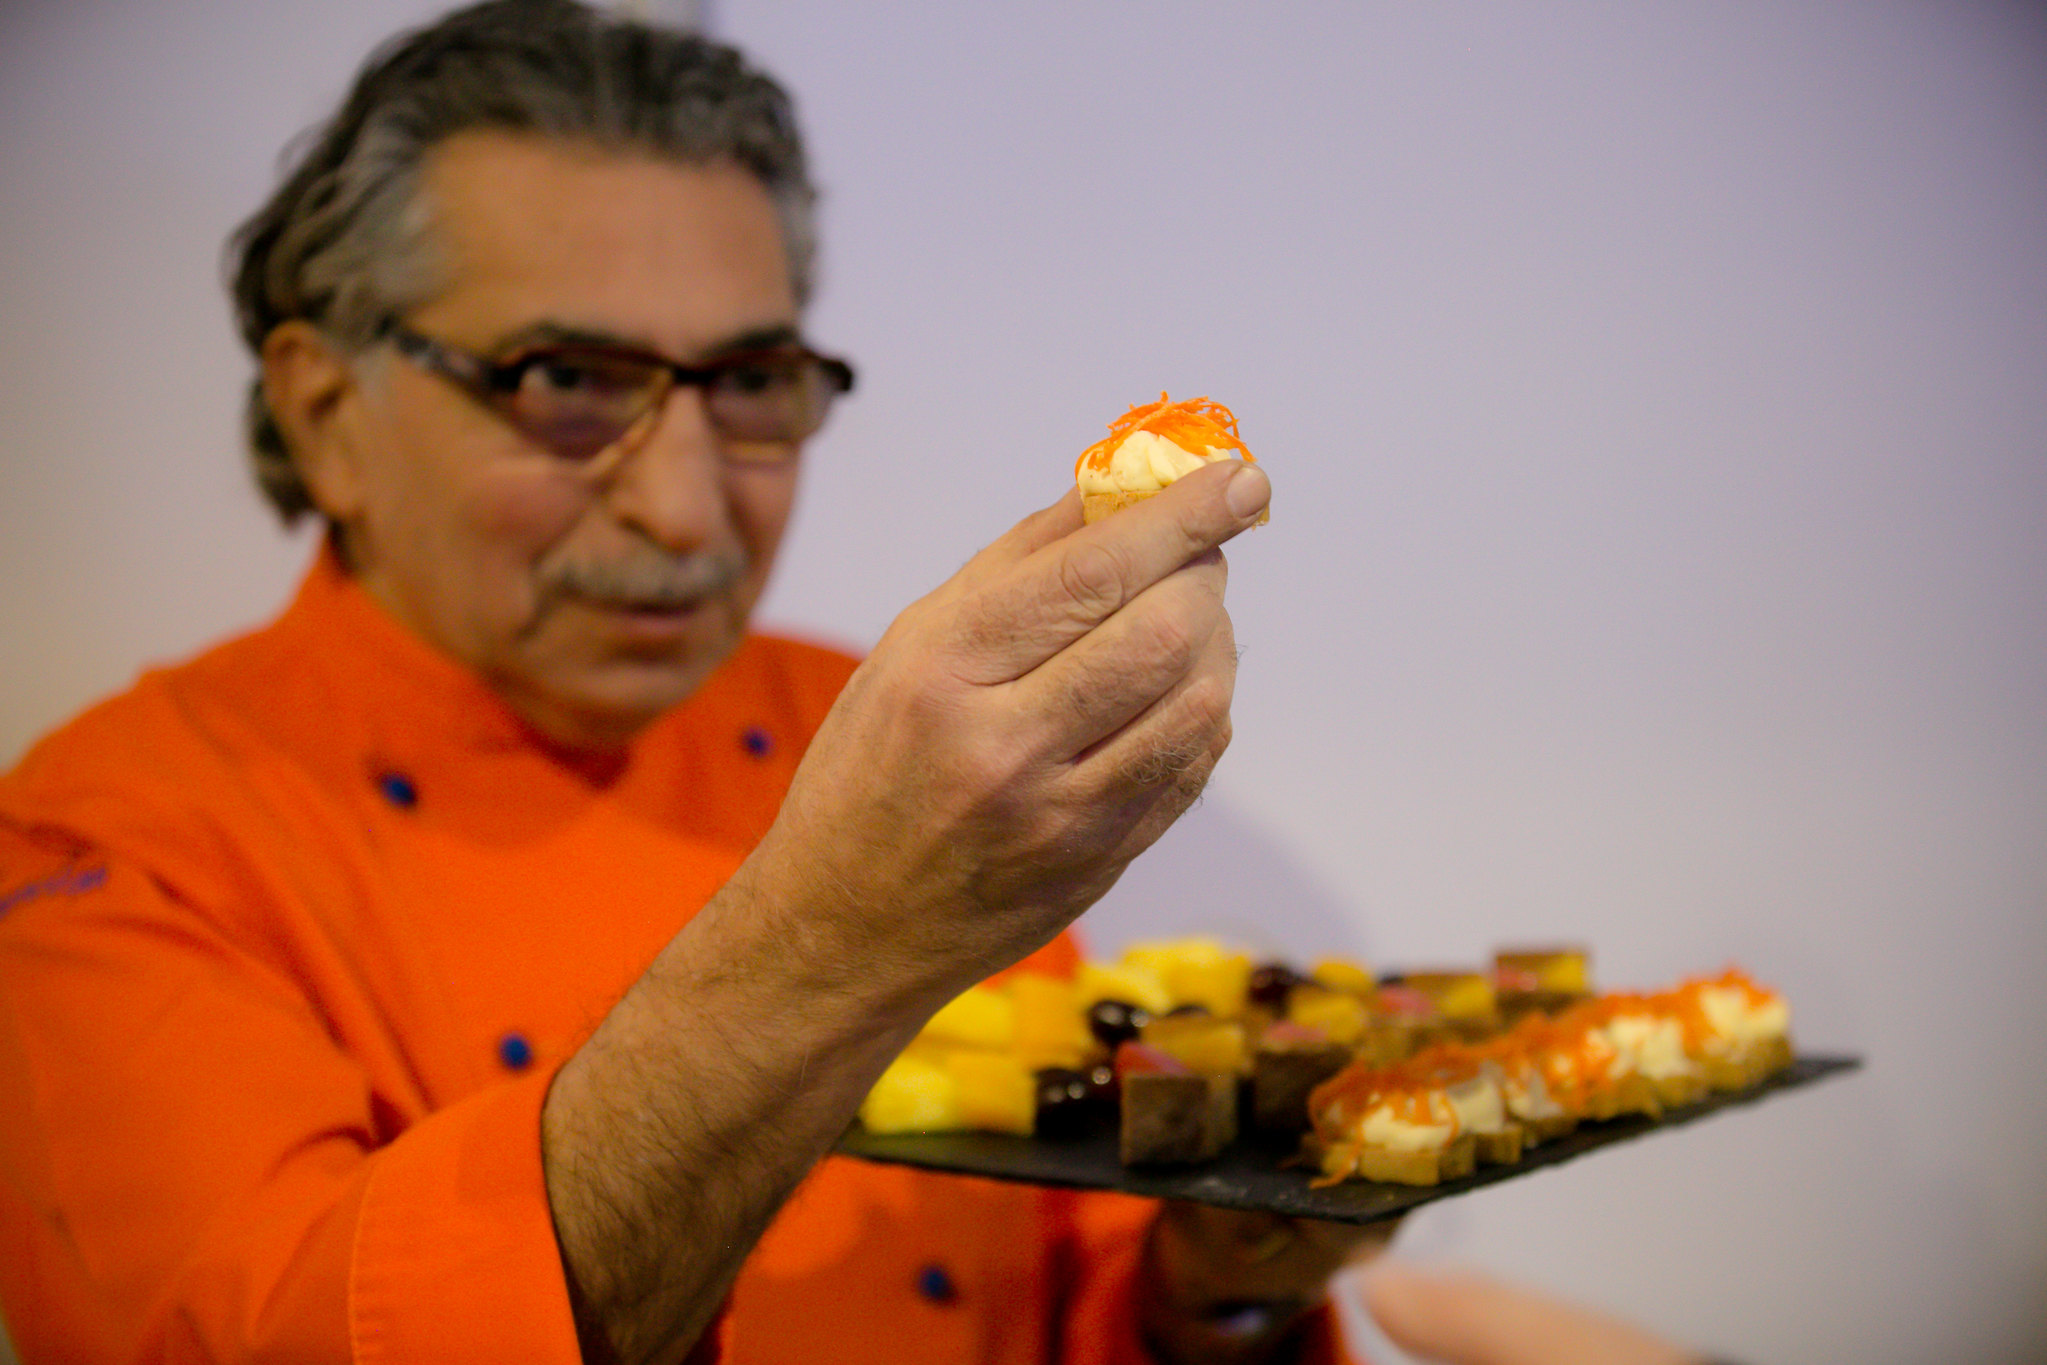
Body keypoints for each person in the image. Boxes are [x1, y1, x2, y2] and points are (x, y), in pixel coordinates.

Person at [0, 3, 1708, 1364]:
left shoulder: (876, 719)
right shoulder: (109, 841)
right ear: (322, 414)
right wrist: (841, 927)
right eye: (566, 380)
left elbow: (1057, 1282)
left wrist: (1219, 1292)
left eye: (750, 381)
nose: (685, 507)